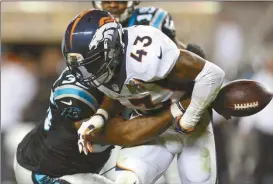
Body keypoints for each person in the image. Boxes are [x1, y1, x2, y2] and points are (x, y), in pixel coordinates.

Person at [63, 10, 225, 184]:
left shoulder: (144, 51)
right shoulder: (100, 70)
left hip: (190, 125)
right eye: (81, 67)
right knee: (127, 180)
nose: (87, 74)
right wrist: (100, 116)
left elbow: (212, 74)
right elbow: (120, 93)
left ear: (112, 49)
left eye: (92, 64)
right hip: (149, 125)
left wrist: (191, 116)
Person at [13, 64, 191, 184]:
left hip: (59, 160)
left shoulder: (99, 76)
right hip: (43, 172)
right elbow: (126, 135)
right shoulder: (81, 103)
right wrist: (180, 108)